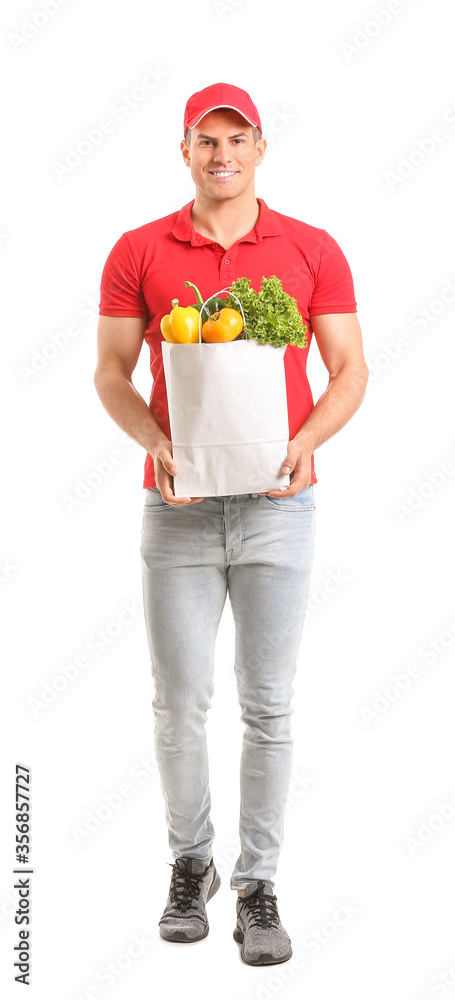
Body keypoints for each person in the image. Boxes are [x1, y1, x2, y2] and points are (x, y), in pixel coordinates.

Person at [94, 81, 369, 967]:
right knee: (178, 706)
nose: (220, 156)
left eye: (235, 140)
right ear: (183, 151)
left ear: (259, 149)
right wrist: (154, 440)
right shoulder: (139, 249)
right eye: (204, 141)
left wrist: (306, 441)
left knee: (269, 707)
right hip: (175, 511)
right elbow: (110, 372)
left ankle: (257, 884)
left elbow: (349, 368)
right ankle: (190, 864)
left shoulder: (310, 248)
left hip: (279, 509)